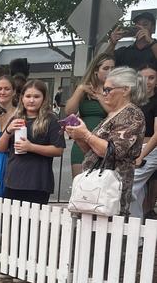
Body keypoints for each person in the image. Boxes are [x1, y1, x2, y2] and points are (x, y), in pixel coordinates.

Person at [66, 66, 146, 216]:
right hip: (97, 189)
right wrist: (79, 137)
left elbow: (113, 151)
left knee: (107, 236)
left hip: (111, 192)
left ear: (126, 90)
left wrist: (86, 135)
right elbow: (93, 153)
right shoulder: (113, 115)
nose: (104, 93)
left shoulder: (132, 114)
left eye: (108, 90)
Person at [0, 79, 65, 205]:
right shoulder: (16, 118)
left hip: (38, 183)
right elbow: (0, 148)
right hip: (14, 180)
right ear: (22, 98)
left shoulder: (51, 120)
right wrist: (8, 131)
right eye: (28, 96)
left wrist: (31, 147)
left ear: (44, 99)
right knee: (12, 222)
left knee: (33, 223)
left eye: (36, 96)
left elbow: (58, 150)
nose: (31, 100)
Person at [64, 53, 115, 178]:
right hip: (81, 143)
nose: (110, 71)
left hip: (103, 144)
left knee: (99, 188)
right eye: (106, 68)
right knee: (79, 187)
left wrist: (99, 97)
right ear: (96, 71)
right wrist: (80, 89)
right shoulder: (85, 88)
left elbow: (114, 113)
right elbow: (69, 111)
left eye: (113, 68)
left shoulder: (116, 90)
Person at [129, 65, 157, 218]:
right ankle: (137, 235)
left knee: (129, 187)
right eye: (143, 78)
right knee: (137, 192)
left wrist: (142, 156)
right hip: (134, 149)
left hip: (151, 150)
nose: (147, 81)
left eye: (151, 78)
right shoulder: (134, 101)